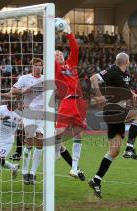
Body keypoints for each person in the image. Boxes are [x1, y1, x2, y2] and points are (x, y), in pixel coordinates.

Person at [88, 52, 137, 198]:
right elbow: (93, 78)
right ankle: (130, 148)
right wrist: (99, 95)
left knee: (114, 151)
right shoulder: (113, 70)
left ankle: (96, 180)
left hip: (116, 110)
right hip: (113, 108)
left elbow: (123, 87)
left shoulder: (125, 75)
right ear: (128, 61)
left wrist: (132, 93)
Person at [0, 57, 45, 185]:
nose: (39, 68)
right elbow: (14, 91)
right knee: (29, 143)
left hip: (42, 114)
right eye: (36, 66)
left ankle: (32, 173)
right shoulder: (25, 78)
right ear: (32, 66)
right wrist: (25, 91)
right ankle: (24, 172)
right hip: (28, 113)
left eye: (40, 66)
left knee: (40, 142)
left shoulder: (45, 79)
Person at [55, 19, 87, 180]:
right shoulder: (57, 69)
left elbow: (75, 48)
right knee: (59, 132)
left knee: (78, 134)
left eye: (60, 53)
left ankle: (74, 168)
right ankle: (56, 149)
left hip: (79, 102)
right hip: (67, 101)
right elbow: (52, 61)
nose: (59, 55)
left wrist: (69, 33)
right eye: (56, 55)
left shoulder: (70, 64)